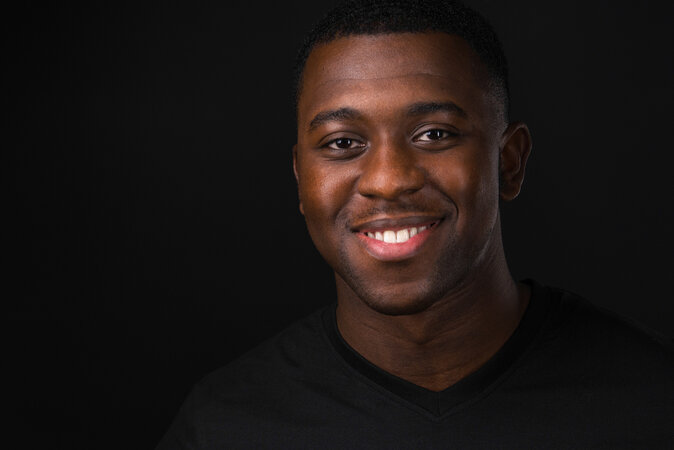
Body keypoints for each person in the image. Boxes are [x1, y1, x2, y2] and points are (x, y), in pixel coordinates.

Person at [156, 0, 673, 448]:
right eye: (342, 143)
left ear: (509, 161)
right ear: (300, 179)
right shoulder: (223, 427)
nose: (387, 180)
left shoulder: (654, 404)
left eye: (434, 135)